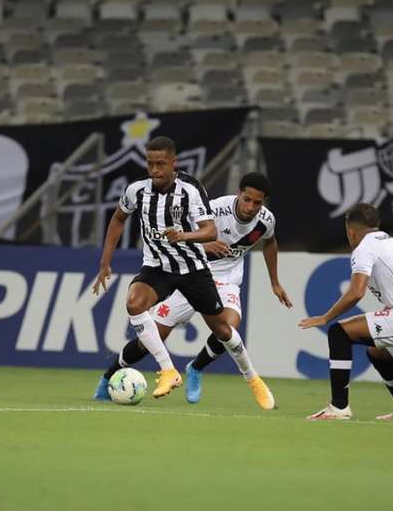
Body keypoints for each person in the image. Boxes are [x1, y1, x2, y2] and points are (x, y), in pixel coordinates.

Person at [94, 173, 291, 409]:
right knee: (148, 341)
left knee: (227, 328)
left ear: (264, 202)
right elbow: (179, 235)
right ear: (239, 193)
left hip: (227, 280)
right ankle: (108, 377)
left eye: (257, 203)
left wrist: (275, 282)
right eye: (246, 199)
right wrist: (206, 245)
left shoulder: (266, 221)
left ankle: (196, 367)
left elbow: (270, 242)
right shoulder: (215, 209)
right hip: (192, 272)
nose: (250, 207)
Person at [298, 203, 393, 421]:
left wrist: (325, 317)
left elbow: (356, 292)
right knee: (377, 352)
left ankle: (339, 407)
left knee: (338, 332)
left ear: (350, 232)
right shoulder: (391, 241)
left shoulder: (364, 248)